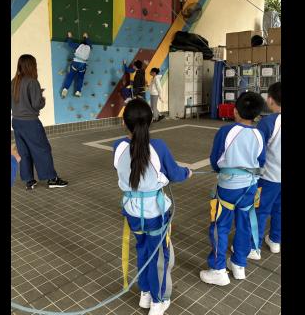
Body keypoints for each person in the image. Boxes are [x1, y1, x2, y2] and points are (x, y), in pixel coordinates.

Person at [113, 99, 192, 314]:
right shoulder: (158, 146)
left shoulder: (118, 147)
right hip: (155, 213)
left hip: (132, 212)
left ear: (124, 123)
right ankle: (158, 301)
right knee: (158, 256)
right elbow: (175, 174)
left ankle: (145, 293)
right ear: (150, 122)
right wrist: (187, 172)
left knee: (142, 249)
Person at [200, 91, 266, 286]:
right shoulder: (259, 134)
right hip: (250, 187)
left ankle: (218, 269)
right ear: (257, 115)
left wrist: (222, 169)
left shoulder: (226, 131)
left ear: (235, 111)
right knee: (245, 223)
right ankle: (239, 264)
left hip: (228, 188)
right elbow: (261, 161)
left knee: (220, 226)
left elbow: (215, 160)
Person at [12, 54, 68, 190]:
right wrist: (42, 98)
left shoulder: (14, 82)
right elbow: (37, 104)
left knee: (24, 151)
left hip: (17, 122)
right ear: (32, 65)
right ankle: (52, 179)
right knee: (42, 149)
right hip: (30, 122)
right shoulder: (32, 82)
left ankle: (29, 181)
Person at [248, 82, 281, 259]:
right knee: (279, 210)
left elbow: (256, 151)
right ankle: (275, 241)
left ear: (270, 100)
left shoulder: (268, 122)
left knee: (259, 210)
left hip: (268, 178)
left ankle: (254, 247)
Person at [61, 32, 92, 98]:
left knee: (70, 76)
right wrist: (86, 36)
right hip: (83, 65)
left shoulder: (79, 46)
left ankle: (65, 89)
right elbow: (88, 41)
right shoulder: (89, 47)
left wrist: (69, 36)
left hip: (76, 63)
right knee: (80, 78)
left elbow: (70, 44)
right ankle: (78, 91)